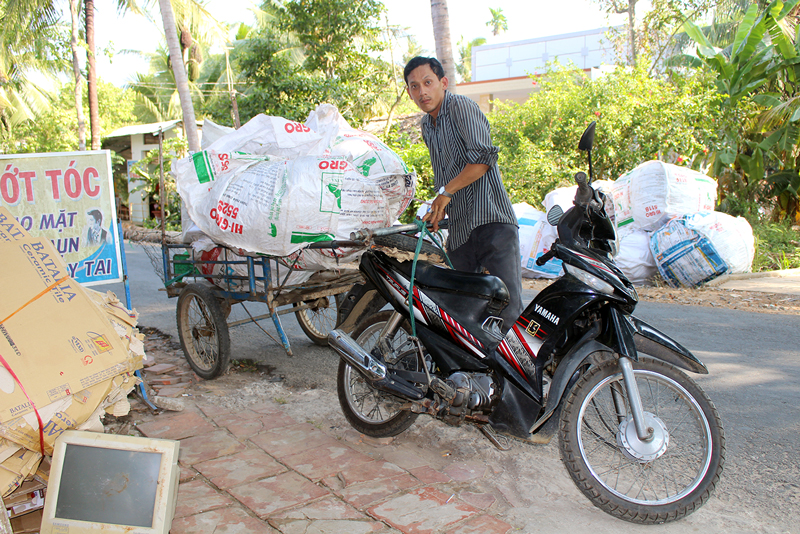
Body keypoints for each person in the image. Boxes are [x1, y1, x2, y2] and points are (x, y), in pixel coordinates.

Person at [404, 56, 523, 333]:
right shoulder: (426, 126)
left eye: (428, 82)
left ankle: (518, 374)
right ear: (409, 92)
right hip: (460, 231)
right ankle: (474, 374)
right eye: (414, 86)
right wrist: (439, 206)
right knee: (460, 310)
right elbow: (446, 175)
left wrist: (445, 193)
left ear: (443, 83)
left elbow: (482, 159)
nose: (422, 91)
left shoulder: (460, 106)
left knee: (509, 307)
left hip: (491, 221)